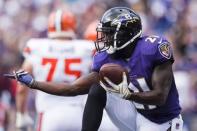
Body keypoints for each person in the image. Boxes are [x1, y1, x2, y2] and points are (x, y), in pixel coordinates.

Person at [5, 7, 183, 131]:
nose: (103, 37)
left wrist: (129, 95)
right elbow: (73, 88)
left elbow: (160, 97)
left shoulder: (153, 48)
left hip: (162, 121)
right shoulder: (105, 58)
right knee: (98, 89)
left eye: (108, 33)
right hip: (137, 114)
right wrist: (34, 83)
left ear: (125, 33)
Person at [14, 9, 95, 131]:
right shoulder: (86, 48)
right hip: (79, 113)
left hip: (48, 115)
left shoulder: (37, 47)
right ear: (72, 25)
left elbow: (21, 85)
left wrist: (21, 114)